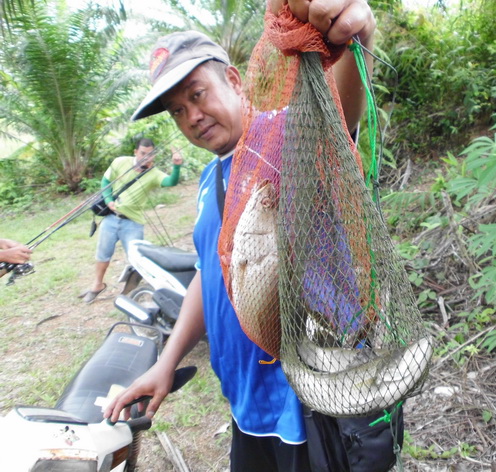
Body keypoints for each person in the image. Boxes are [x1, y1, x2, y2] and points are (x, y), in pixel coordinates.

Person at [104, 1, 375, 470]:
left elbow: (337, 115)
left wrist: (358, 39)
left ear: (233, 80)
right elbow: (208, 275)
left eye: (197, 94)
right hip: (246, 405)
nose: (192, 115)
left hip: (308, 404)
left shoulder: (282, 135)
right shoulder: (211, 179)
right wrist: (165, 365)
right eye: (177, 110)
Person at [79, 138, 184, 303]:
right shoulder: (120, 162)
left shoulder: (154, 173)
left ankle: (137, 291)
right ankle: (97, 285)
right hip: (111, 218)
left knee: (137, 259)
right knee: (103, 254)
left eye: (150, 155)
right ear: (136, 152)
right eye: (143, 154)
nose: (146, 158)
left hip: (133, 222)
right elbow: (106, 181)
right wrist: (108, 201)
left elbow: (171, 181)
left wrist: (176, 165)